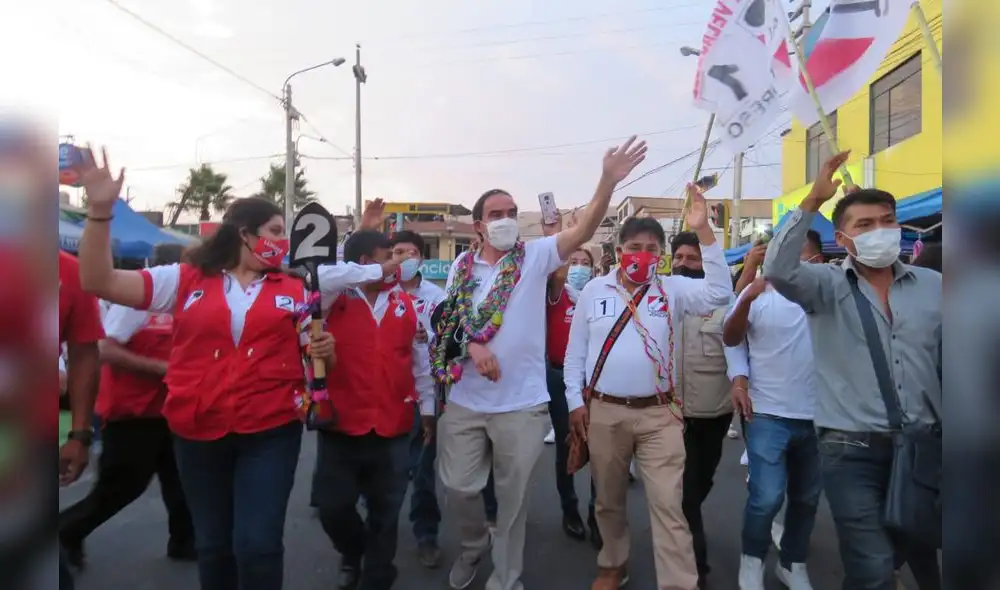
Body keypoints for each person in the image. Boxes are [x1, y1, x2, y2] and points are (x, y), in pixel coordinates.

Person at [74, 147, 345, 590]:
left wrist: (326, 350)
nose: (281, 240)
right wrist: (100, 212)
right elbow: (98, 282)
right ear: (244, 233)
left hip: (271, 431)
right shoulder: (183, 279)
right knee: (214, 545)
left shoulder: (296, 288)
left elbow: (320, 366)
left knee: (257, 544)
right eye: (275, 230)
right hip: (197, 431)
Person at [431, 136, 648, 590]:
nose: (507, 220)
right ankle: (473, 545)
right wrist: (473, 347)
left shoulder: (533, 256)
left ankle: (506, 578)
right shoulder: (460, 269)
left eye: (512, 212)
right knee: (459, 488)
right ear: (477, 226)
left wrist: (606, 181)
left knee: (512, 503)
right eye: (496, 214)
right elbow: (450, 320)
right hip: (467, 399)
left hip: (522, 405)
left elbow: (583, 230)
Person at [762, 151, 942, 590]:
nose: (880, 231)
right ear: (843, 240)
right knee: (873, 565)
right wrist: (812, 202)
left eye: (887, 220)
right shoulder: (824, 286)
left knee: (907, 546)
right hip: (850, 448)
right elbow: (778, 269)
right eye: (865, 225)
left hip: (923, 446)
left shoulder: (935, 287)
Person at [563, 185, 733, 590]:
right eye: (635, 245)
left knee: (669, 504)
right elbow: (574, 356)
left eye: (652, 248)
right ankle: (612, 564)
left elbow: (721, 292)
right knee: (608, 498)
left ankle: (678, 582)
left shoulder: (673, 290)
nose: (643, 253)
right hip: (604, 411)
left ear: (661, 254)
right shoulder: (594, 290)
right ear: (619, 249)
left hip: (660, 414)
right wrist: (575, 403)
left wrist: (704, 231)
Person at [313, 230, 436, 590]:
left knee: (386, 513)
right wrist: (372, 271)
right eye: (390, 255)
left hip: (392, 426)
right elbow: (319, 276)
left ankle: (378, 576)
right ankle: (354, 553)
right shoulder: (332, 298)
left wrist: (427, 409)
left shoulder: (406, 304)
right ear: (367, 262)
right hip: (341, 425)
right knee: (333, 508)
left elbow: (421, 364)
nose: (400, 263)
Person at [60, 243, 195, 569]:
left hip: (173, 410)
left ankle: (186, 541)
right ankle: (65, 531)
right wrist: (162, 369)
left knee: (183, 481)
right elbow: (103, 349)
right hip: (132, 411)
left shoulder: (196, 299)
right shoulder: (139, 299)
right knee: (122, 487)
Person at [722, 230, 825, 590]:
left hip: (819, 415)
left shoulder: (827, 297)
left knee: (807, 498)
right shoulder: (760, 296)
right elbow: (731, 339)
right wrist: (746, 297)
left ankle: (792, 563)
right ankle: (752, 561)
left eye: (799, 256)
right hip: (767, 413)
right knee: (766, 497)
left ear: (816, 261)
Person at [668, 230, 737, 588]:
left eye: (692, 259)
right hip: (667, 418)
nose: (683, 264)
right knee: (683, 499)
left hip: (711, 416)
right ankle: (695, 571)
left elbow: (741, 355)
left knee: (696, 489)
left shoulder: (728, 303)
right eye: (677, 258)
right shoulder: (660, 299)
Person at [385, 230, 450, 569]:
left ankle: (427, 535)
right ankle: (376, 539)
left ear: (421, 259)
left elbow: (446, 342)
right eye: (397, 251)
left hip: (425, 393)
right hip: (385, 394)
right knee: (384, 473)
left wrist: (428, 338)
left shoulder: (437, 297)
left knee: (423, 472)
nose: (404, 258)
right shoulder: (379, 291)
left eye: (411, 253)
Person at [544, 240, 597, 543]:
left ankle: (596, 511)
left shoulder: (601, 294)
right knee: (568, 444)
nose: (578, 268)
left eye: (584, 262)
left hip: (596, 381)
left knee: (600, 448)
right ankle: (569, 509)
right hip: (559, 378)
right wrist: (567, 238)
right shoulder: (556, 294)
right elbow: (559, 275)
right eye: (573, 261)